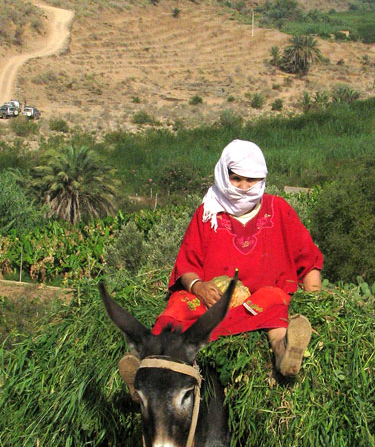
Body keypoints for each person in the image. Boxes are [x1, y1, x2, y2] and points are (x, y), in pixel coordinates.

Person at [123, 139, 323, 384]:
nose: (244, 187)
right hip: (211, 300)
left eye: (251, 180)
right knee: (178, 306)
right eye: (236, 179)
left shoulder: (279, 209)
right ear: (222, 175)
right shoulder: (208, 213)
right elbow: (186, 264)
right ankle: (144, 360)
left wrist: (316, 303)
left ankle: (284, 352)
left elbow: (307, 257)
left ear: (262, 179)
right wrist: (198, 287)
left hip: (260, 298)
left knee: (273, 301)